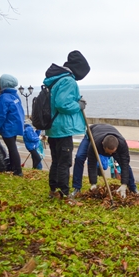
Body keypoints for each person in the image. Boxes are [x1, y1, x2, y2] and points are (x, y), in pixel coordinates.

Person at [44, 50, 90, 199]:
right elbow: (62, 104)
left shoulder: (57, 78)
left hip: (53, 127)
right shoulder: (68, 81)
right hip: (63, 128)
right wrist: (78, 106)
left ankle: (53, 190)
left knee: (56, 161)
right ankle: (64, 193)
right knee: (64, 162)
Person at [69, 124, 139, 198]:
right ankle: (77, 188)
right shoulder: (95, 144)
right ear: (102, 145)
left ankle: (133, 188)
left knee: (124, 164)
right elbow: (92, 163)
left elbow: (125, 164)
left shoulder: (122, 144)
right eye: (108, 152)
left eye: (112, 153)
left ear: (117, 147)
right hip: (92, 134)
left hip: (109, 131)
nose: (110, 155)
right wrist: (93, 183)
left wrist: (124, 184)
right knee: (79, 157)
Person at [0, 74, 25, 176]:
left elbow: (0, 115)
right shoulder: (15, 96)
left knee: (12, 147)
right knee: (12, 146)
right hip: (14, 125)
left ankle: (18, 170)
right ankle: (14, 167)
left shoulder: (4, 98)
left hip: (8, 127)